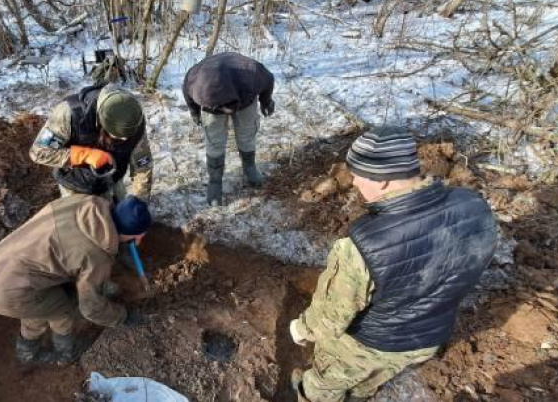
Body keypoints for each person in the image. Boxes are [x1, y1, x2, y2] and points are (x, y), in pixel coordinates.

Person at [289, 127, 498, 401]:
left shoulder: (365, 245)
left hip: (370, 342)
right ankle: (360, 393)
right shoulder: (474, 207)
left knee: (328, 381)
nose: (353, 183)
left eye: (358, 176)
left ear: (383, 181)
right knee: (378, 374)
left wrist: (302, 330)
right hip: (428, 337)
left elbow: (331, 317)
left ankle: (312, 394)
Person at [0, 195, 152, 364]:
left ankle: (27, 350)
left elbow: (69, 255)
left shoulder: (84, 204)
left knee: (41, 308)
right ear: (135, 236)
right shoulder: (97, 255)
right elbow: (90, 308)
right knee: (65, 306)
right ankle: (64, 351)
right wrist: (123, 317)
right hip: (6, 292)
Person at [30, 83, 153, 201]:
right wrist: (84, 155)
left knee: (123, 217)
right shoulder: (69, 114)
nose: (125, 140)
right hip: (76, 186)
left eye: (127, 137)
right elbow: (39, 151)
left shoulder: (133, 118)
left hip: (113, 181)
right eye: (117, 137)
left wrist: (138, 201)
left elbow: (142, 164)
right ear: (101, 124)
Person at [182, 52, 275, 206]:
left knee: (246, 133)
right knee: (215, 141)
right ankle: (215, 180)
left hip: (244, 98)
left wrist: (266, 102)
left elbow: (269, 80)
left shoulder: (253, 74)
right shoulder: (196, 83)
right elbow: (187, 94)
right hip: (211, 104)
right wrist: (194, 113)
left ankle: (249, 167)